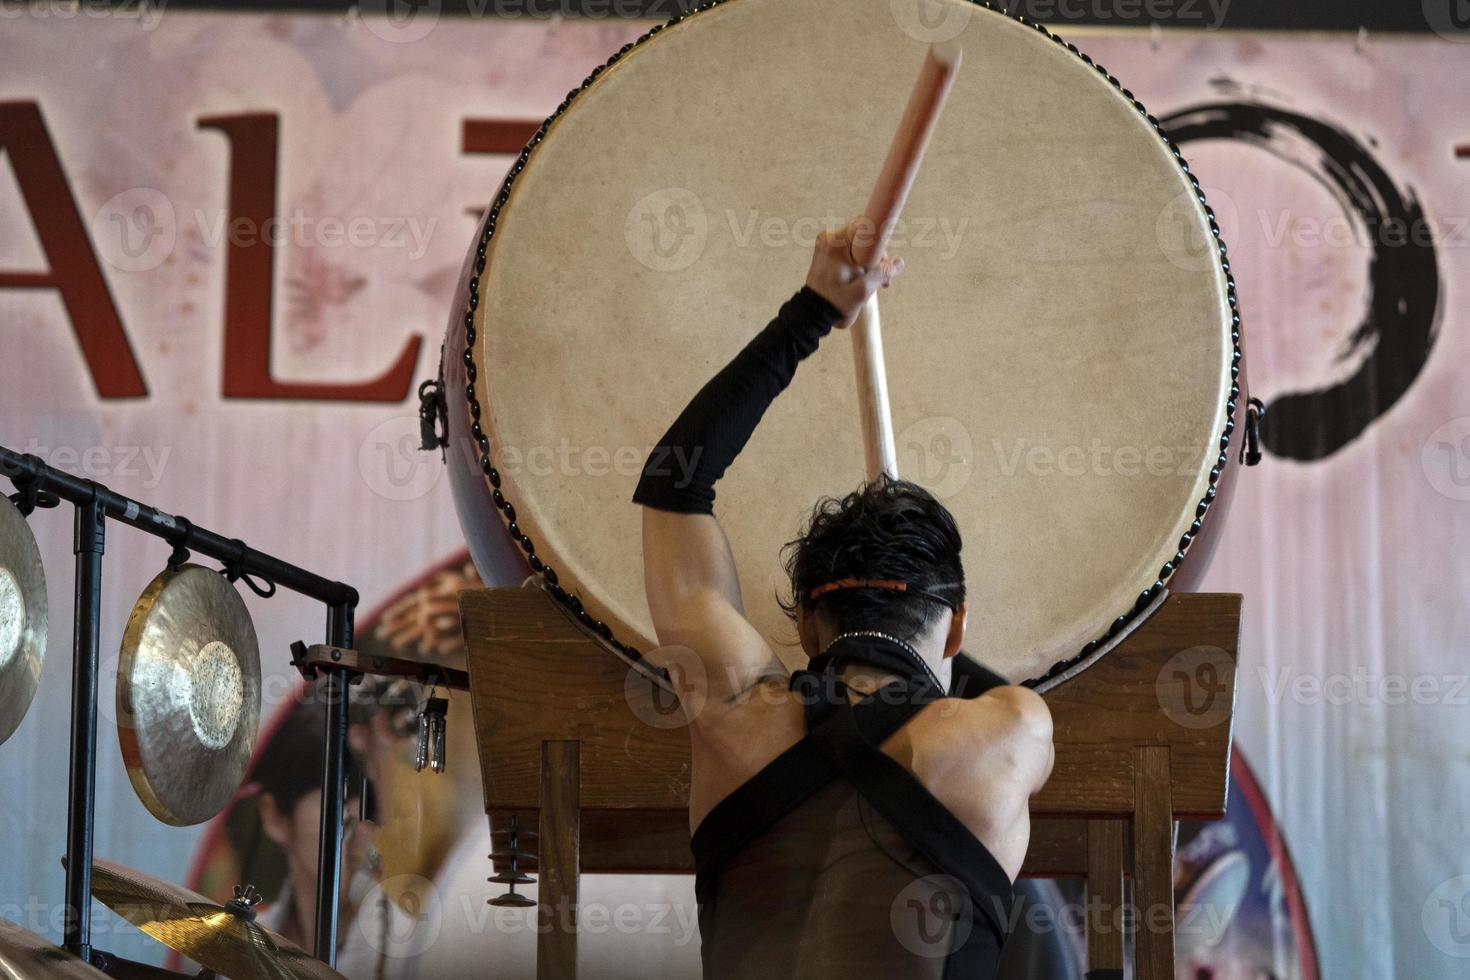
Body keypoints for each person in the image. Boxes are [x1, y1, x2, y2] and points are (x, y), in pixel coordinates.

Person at [634, 222, 1055, 977]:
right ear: (956, 626)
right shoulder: (1009, 730)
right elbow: (964, 685)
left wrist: (813, 312)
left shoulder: (730, 709)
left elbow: (674, 482)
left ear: (801, 620)